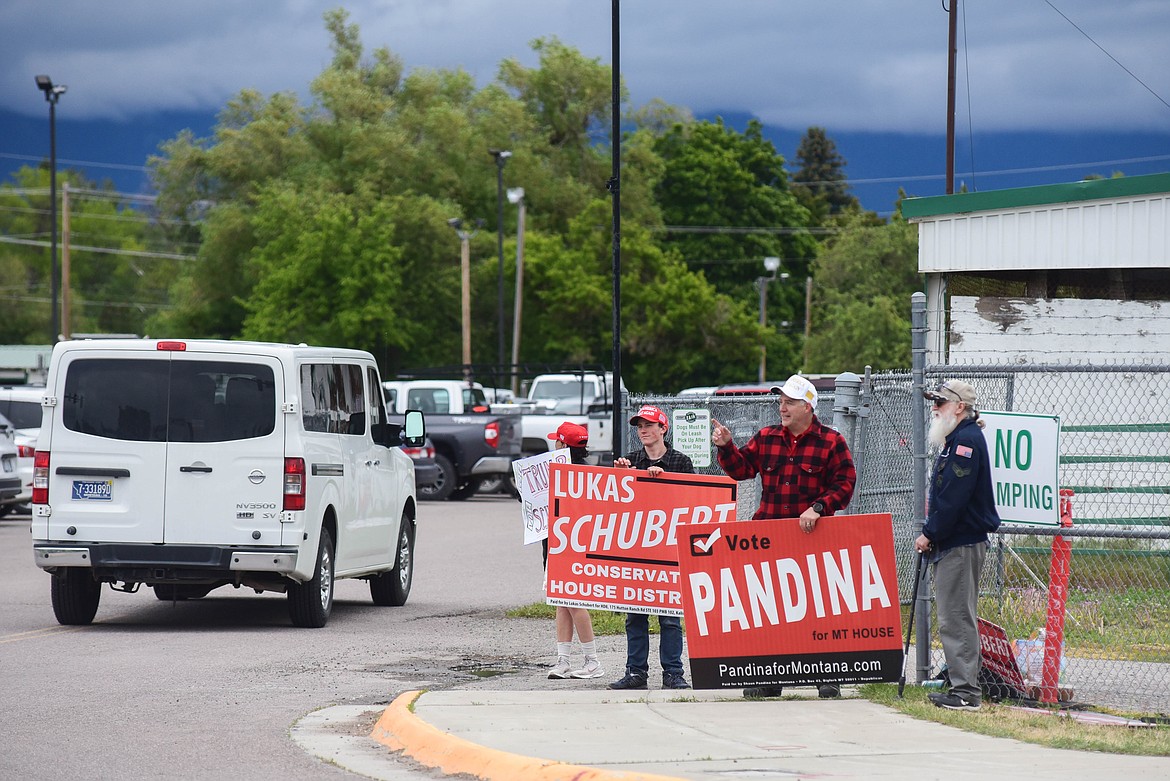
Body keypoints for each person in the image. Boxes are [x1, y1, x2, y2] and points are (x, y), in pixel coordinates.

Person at [711, 374, 856, 699]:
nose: (782, 407)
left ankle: (826, 675)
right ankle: (769, 677)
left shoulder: (832, 442)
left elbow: (845, 482)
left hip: (813, 539)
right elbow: (743, 470)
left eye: (789, 402)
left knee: (817, 607)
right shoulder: (766, 437)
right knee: (772, 610)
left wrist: (819, 507)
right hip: (770, 535)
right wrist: (726, 447)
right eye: (780, 401)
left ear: (808, 406)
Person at [916, 380, 1001, 711]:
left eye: (940, 401)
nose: (934, 407)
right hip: (956, 541)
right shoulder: (957, 439)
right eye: (934, 401)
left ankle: (966, 692)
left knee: (956, 616)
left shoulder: (965, 441)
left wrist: (930, 532)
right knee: (953, 614)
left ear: (959, 408)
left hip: (960, 542)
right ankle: (960, 682)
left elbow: (954, 497)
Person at [607, 404, 694, 691]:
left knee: (670, 617)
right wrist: (621, 476)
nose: (643, 430)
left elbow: (692, 504)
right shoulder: (630, 461)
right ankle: (635, 673)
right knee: (635, 616)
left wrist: (665, 481)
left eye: (649, 425)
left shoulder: (681, 461)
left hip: (669, 551)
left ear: (663, 429)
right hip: (638, 550)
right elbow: (615, 505)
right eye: (639, 426)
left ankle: (673, 673)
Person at [542, 422, 605, 680]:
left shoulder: (565, 474)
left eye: (556, 441)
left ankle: (593, 661)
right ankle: (564, 660)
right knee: (561, 602)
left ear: (563, 445)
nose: (553, 444)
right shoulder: (584, 474)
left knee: (574, 602)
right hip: (563, 547)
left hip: (571, 549)